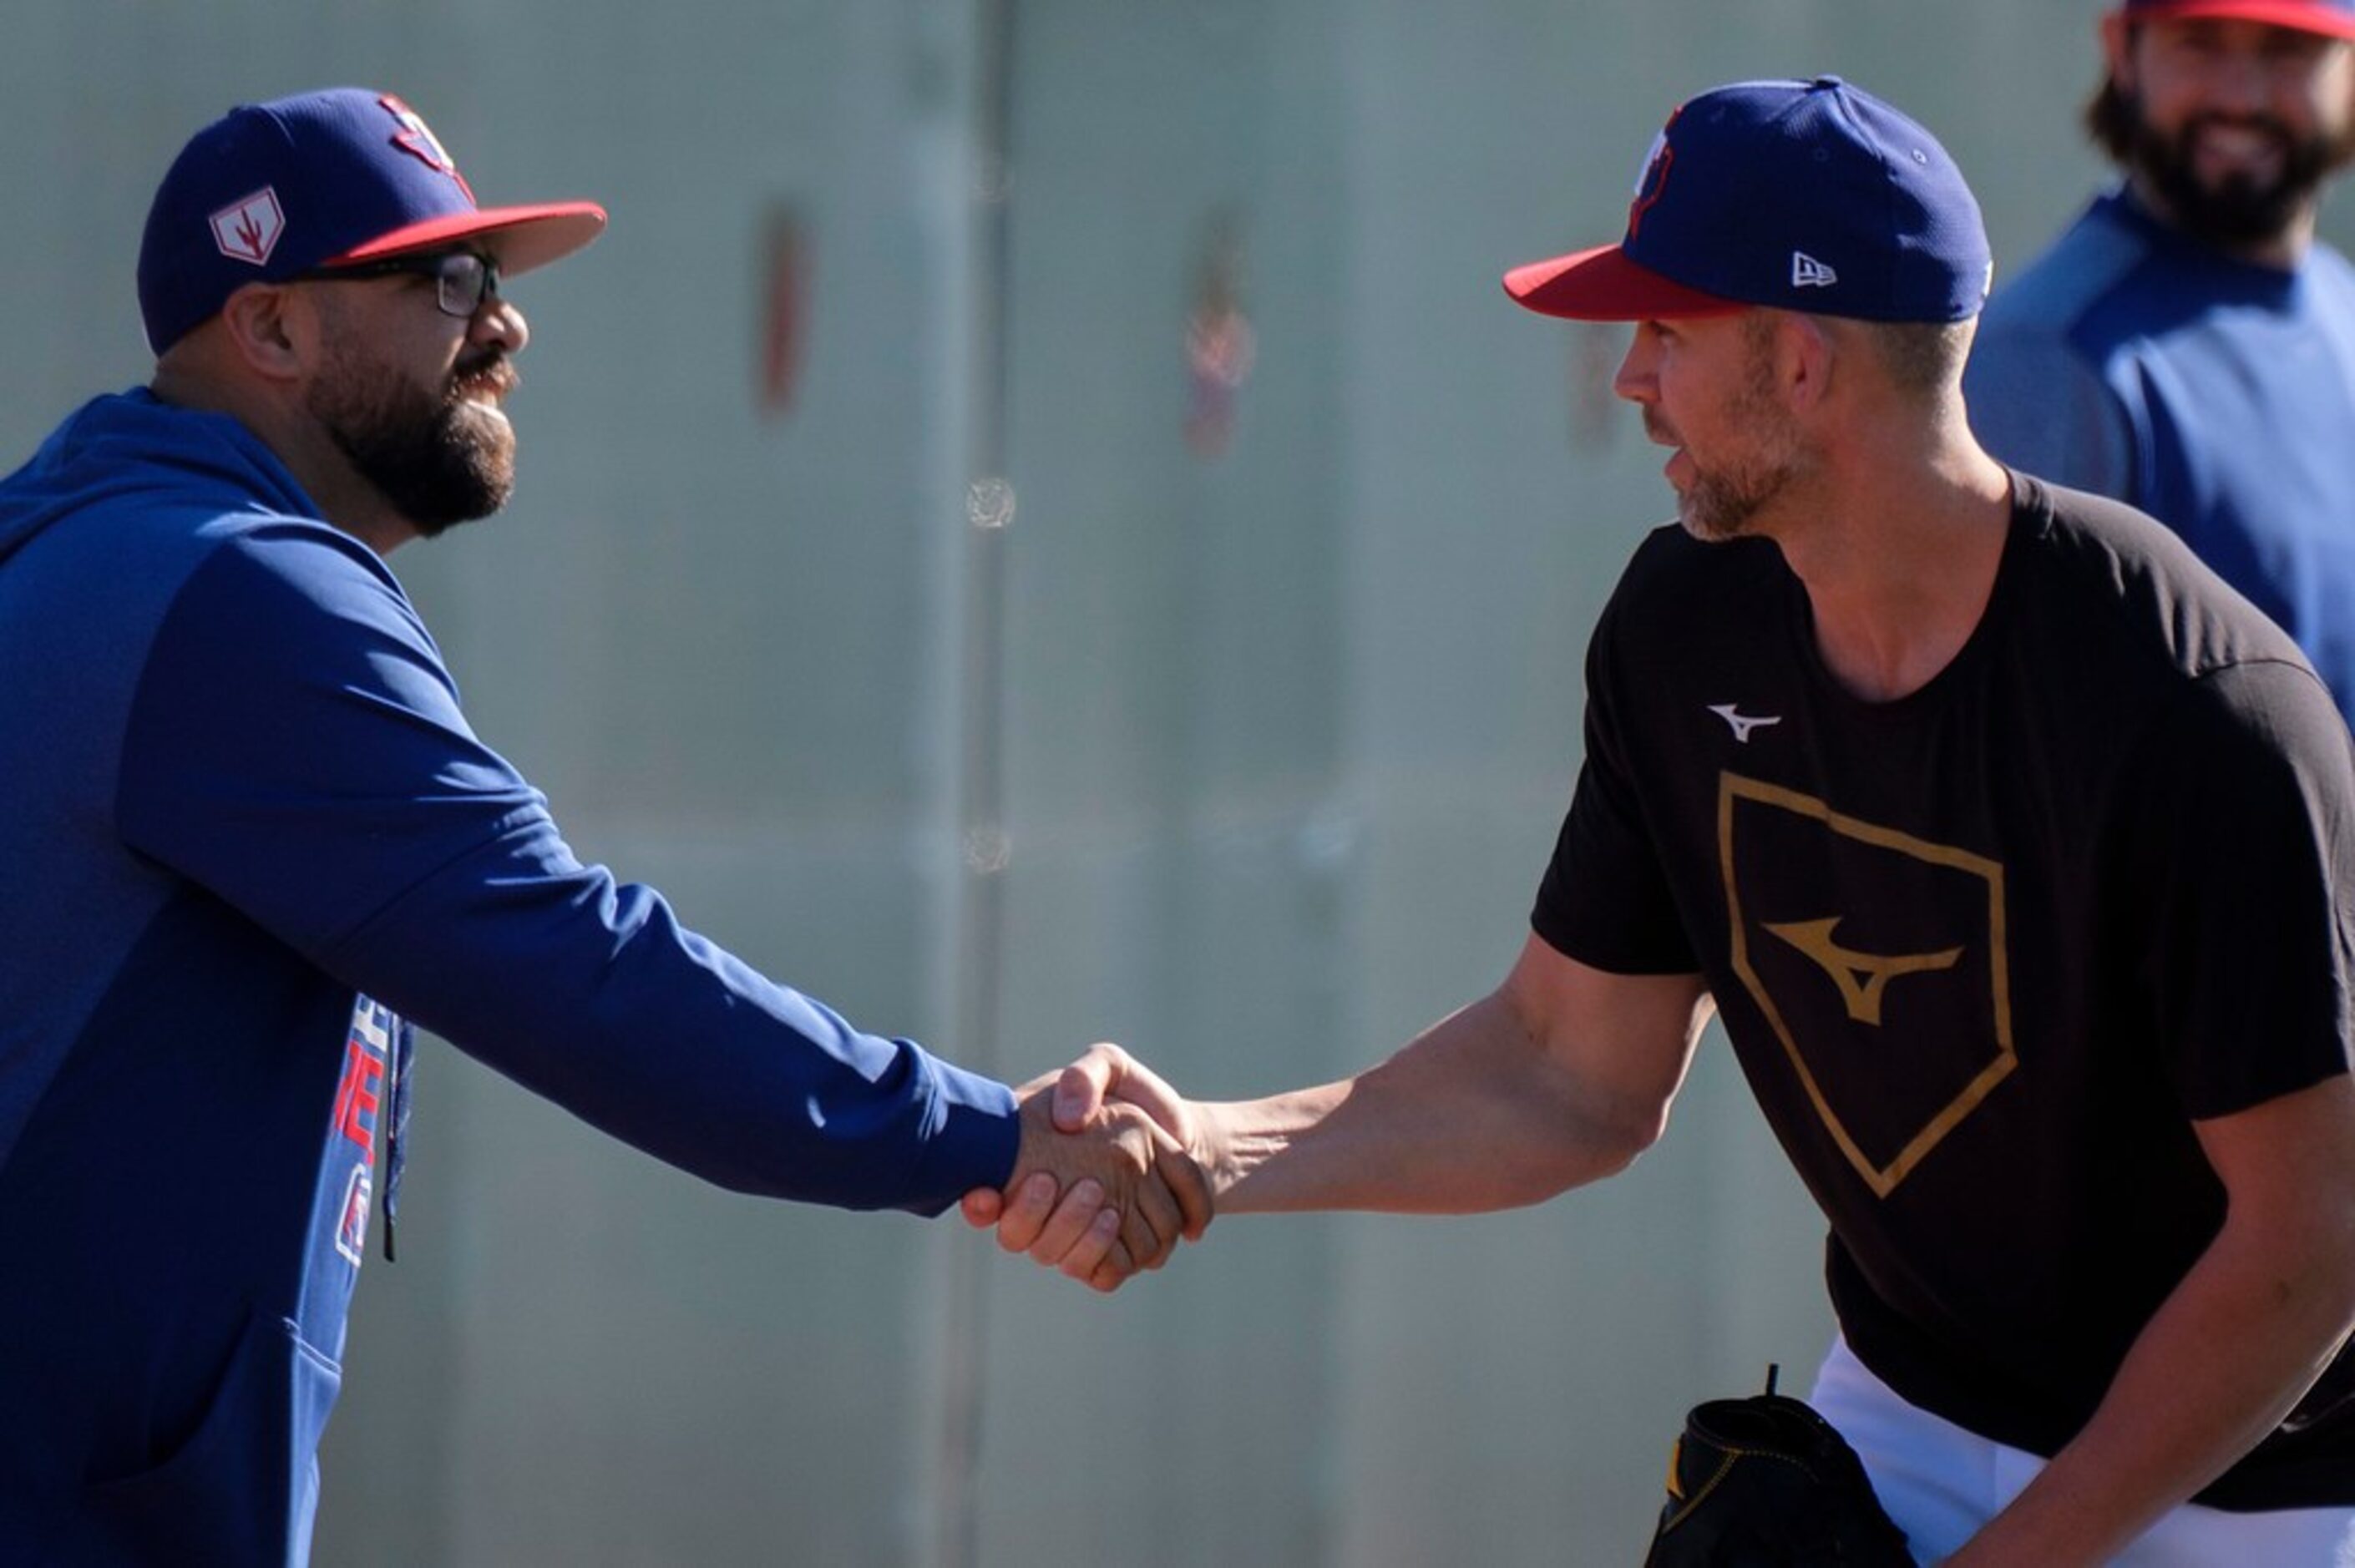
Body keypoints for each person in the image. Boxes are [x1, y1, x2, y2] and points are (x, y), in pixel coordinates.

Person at [970, 77, 2355, 1564]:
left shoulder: (2201, 706)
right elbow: (1571, 1070)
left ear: (1803, 364)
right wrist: (1211, 1146)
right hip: (1906, 1405)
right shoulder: (1683, 624)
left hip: (2222, 1478)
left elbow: (2311, 1242)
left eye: (1668, 330)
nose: (1630, 377)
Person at [0, 87, 1204, 1567]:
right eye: (445, 281)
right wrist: (986, 1133)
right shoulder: (223, 589)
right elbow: (583, 970)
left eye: (498, 281)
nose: (504, 326)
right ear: (271, 330)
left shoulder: (122, 551)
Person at [1966, 0, 2355, 721]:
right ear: (2122, 51)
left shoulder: (2342, 305)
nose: (2241, 96)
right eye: (2198, 43)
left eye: (2288, 51)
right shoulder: (2051, 359)